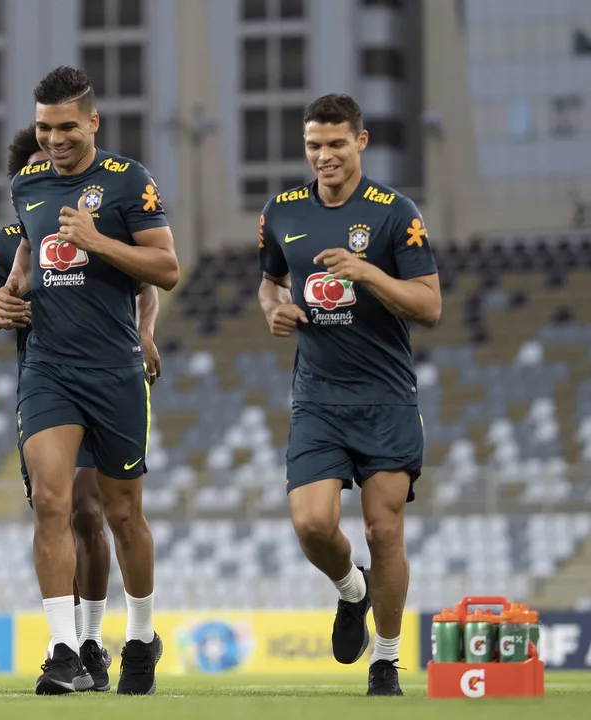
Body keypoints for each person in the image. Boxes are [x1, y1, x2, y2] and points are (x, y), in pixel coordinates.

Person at [0, 66, 179, 696]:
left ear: (93, 122)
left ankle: (141, 637)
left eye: (67, 127)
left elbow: (167, 267)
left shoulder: (130, 181)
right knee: (52, 501)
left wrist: (98, 241)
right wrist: (9, 294)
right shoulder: (28, 185)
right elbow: (28, 251)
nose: (55, 139)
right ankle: (64, 650)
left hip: (115, 369)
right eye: (45, 128)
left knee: (124, 514)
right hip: (48, 368)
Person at [256, 93, 441, 696]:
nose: (325, 155)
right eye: (314, 145)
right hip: (317, 398)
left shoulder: (394, 212)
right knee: (312, 525)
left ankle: (385, 660)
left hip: (385, 397)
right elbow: (269, 282)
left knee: (384, 531)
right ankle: (350, 591)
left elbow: (431, 306)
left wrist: (369, 273)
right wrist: (275, 310)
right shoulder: (281, 211)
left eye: (337, 143)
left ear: (360, 141)